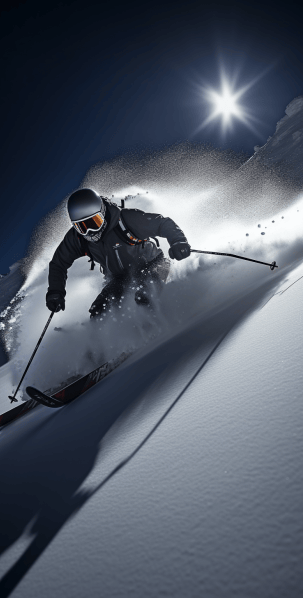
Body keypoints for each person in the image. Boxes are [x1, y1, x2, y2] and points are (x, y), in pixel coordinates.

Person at [46, 188, 191, 317]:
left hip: (152, 264)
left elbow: (162, 223)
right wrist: (55, 291)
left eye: (94, 222)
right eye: (81, 227)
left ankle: (160, 333)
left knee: (145, 295)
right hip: (119, 279)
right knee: (99, 311)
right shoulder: (78, 239)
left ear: (103, 212)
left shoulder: (125, 220)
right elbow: (59, 264)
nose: (90, 231)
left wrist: (178, 241)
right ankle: (105, 343)